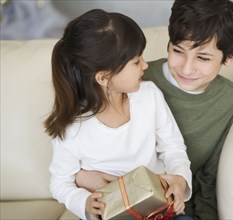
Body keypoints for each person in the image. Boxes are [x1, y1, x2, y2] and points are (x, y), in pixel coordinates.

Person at [75, 0, 233, 219]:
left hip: (171, 208)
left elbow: (209, 179)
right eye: (178, 51)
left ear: (231, 55)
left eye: (202, 57)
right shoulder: (132, 80)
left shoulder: (231, 103)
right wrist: (79, 177)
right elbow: (79, 136)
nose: (186, 68)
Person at [44, 9, 192, 220]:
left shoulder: (149, 95)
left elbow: (173, 147)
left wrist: (180, 179)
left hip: (157, 209)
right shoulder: (72, 128)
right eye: (136, 62)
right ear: (104, 78)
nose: (145, 65)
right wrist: (83, 202)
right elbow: (60, 183)